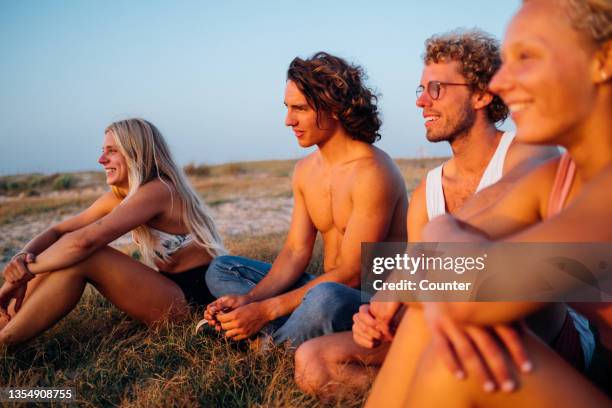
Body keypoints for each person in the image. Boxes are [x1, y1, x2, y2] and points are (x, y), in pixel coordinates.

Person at [294, 29, 566, 397]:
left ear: (483, 94)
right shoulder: (427, 192)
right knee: (313, 361)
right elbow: (415, 284)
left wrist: (406, 282)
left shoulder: (529, 153)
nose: (422, 102)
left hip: (539, 338)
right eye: (421, 90)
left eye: (436, 88)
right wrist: (371, 317)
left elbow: (482, 243)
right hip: (451, 335)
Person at [366, 0, 612, 406]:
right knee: (437, 326)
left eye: (527, 57)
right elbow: (437, 266)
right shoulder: (559, 178)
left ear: (603, 60)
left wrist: (441, 236)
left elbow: (464, 285)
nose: (499, 82)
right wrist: (443, 233)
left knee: (460, 357)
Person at [202, 52, 408, 347]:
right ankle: (277, 330)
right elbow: (296, 251)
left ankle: (266, 346)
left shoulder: (372, 172)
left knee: (325, 298)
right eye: (287, 108)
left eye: (300, 108)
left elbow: (351, 274)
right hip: (321, 290)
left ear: (334, 107)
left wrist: (266, 309)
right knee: (222, 269)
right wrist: (249, 299)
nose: (289, 120)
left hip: (366, 300)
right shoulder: (305, 171)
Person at [0, 118, 225, 345]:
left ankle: (5, 341)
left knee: (86, 255)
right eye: (102, 151)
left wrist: (21, 275)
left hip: (197, 303)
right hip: (169, 288)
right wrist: (20, 259)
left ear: (136, 153)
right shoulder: (121, 196)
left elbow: (83, 242)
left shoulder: (161, 190)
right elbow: (58, 232)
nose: (101, 159)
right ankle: (4, 321)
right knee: (62, 252)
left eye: (112, 151)